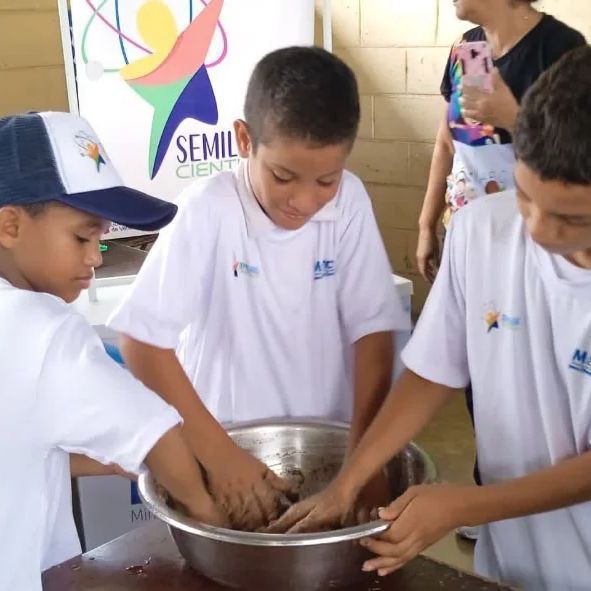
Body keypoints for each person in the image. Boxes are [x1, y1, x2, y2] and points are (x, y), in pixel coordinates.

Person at [267, 45, 591, 591]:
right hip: (508, 562)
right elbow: (433, 368)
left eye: (570, 218)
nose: (536, 231)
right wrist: (350, 481)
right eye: (527, 198)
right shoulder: (481, 231)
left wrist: (467, 504)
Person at [107, 46, 408, 530]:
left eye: (325, 180)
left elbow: (373, 331)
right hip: (223, 442)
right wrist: (219, 457)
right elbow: (142, 343)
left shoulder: (349, 201)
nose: (304, 201)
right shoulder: (210, 208)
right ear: (244, 140)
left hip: (328, 448)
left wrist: (360, 465)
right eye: (283, 176)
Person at [0, 111, 226, 591]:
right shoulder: (41, 330)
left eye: (102, 236)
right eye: (83, 235)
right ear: (10, 225)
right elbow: (158, 437)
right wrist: (217, 524)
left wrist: (108, 457)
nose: (96, 256)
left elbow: (16, 452)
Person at [415, 0, 586, 539]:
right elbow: (449, 134)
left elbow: (558, 152)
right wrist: (427, 221)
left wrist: (513, 112)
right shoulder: (469, 49)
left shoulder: (559, 53)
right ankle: (492, 494)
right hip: (480, 223)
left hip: (542, 247)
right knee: (493, 375)